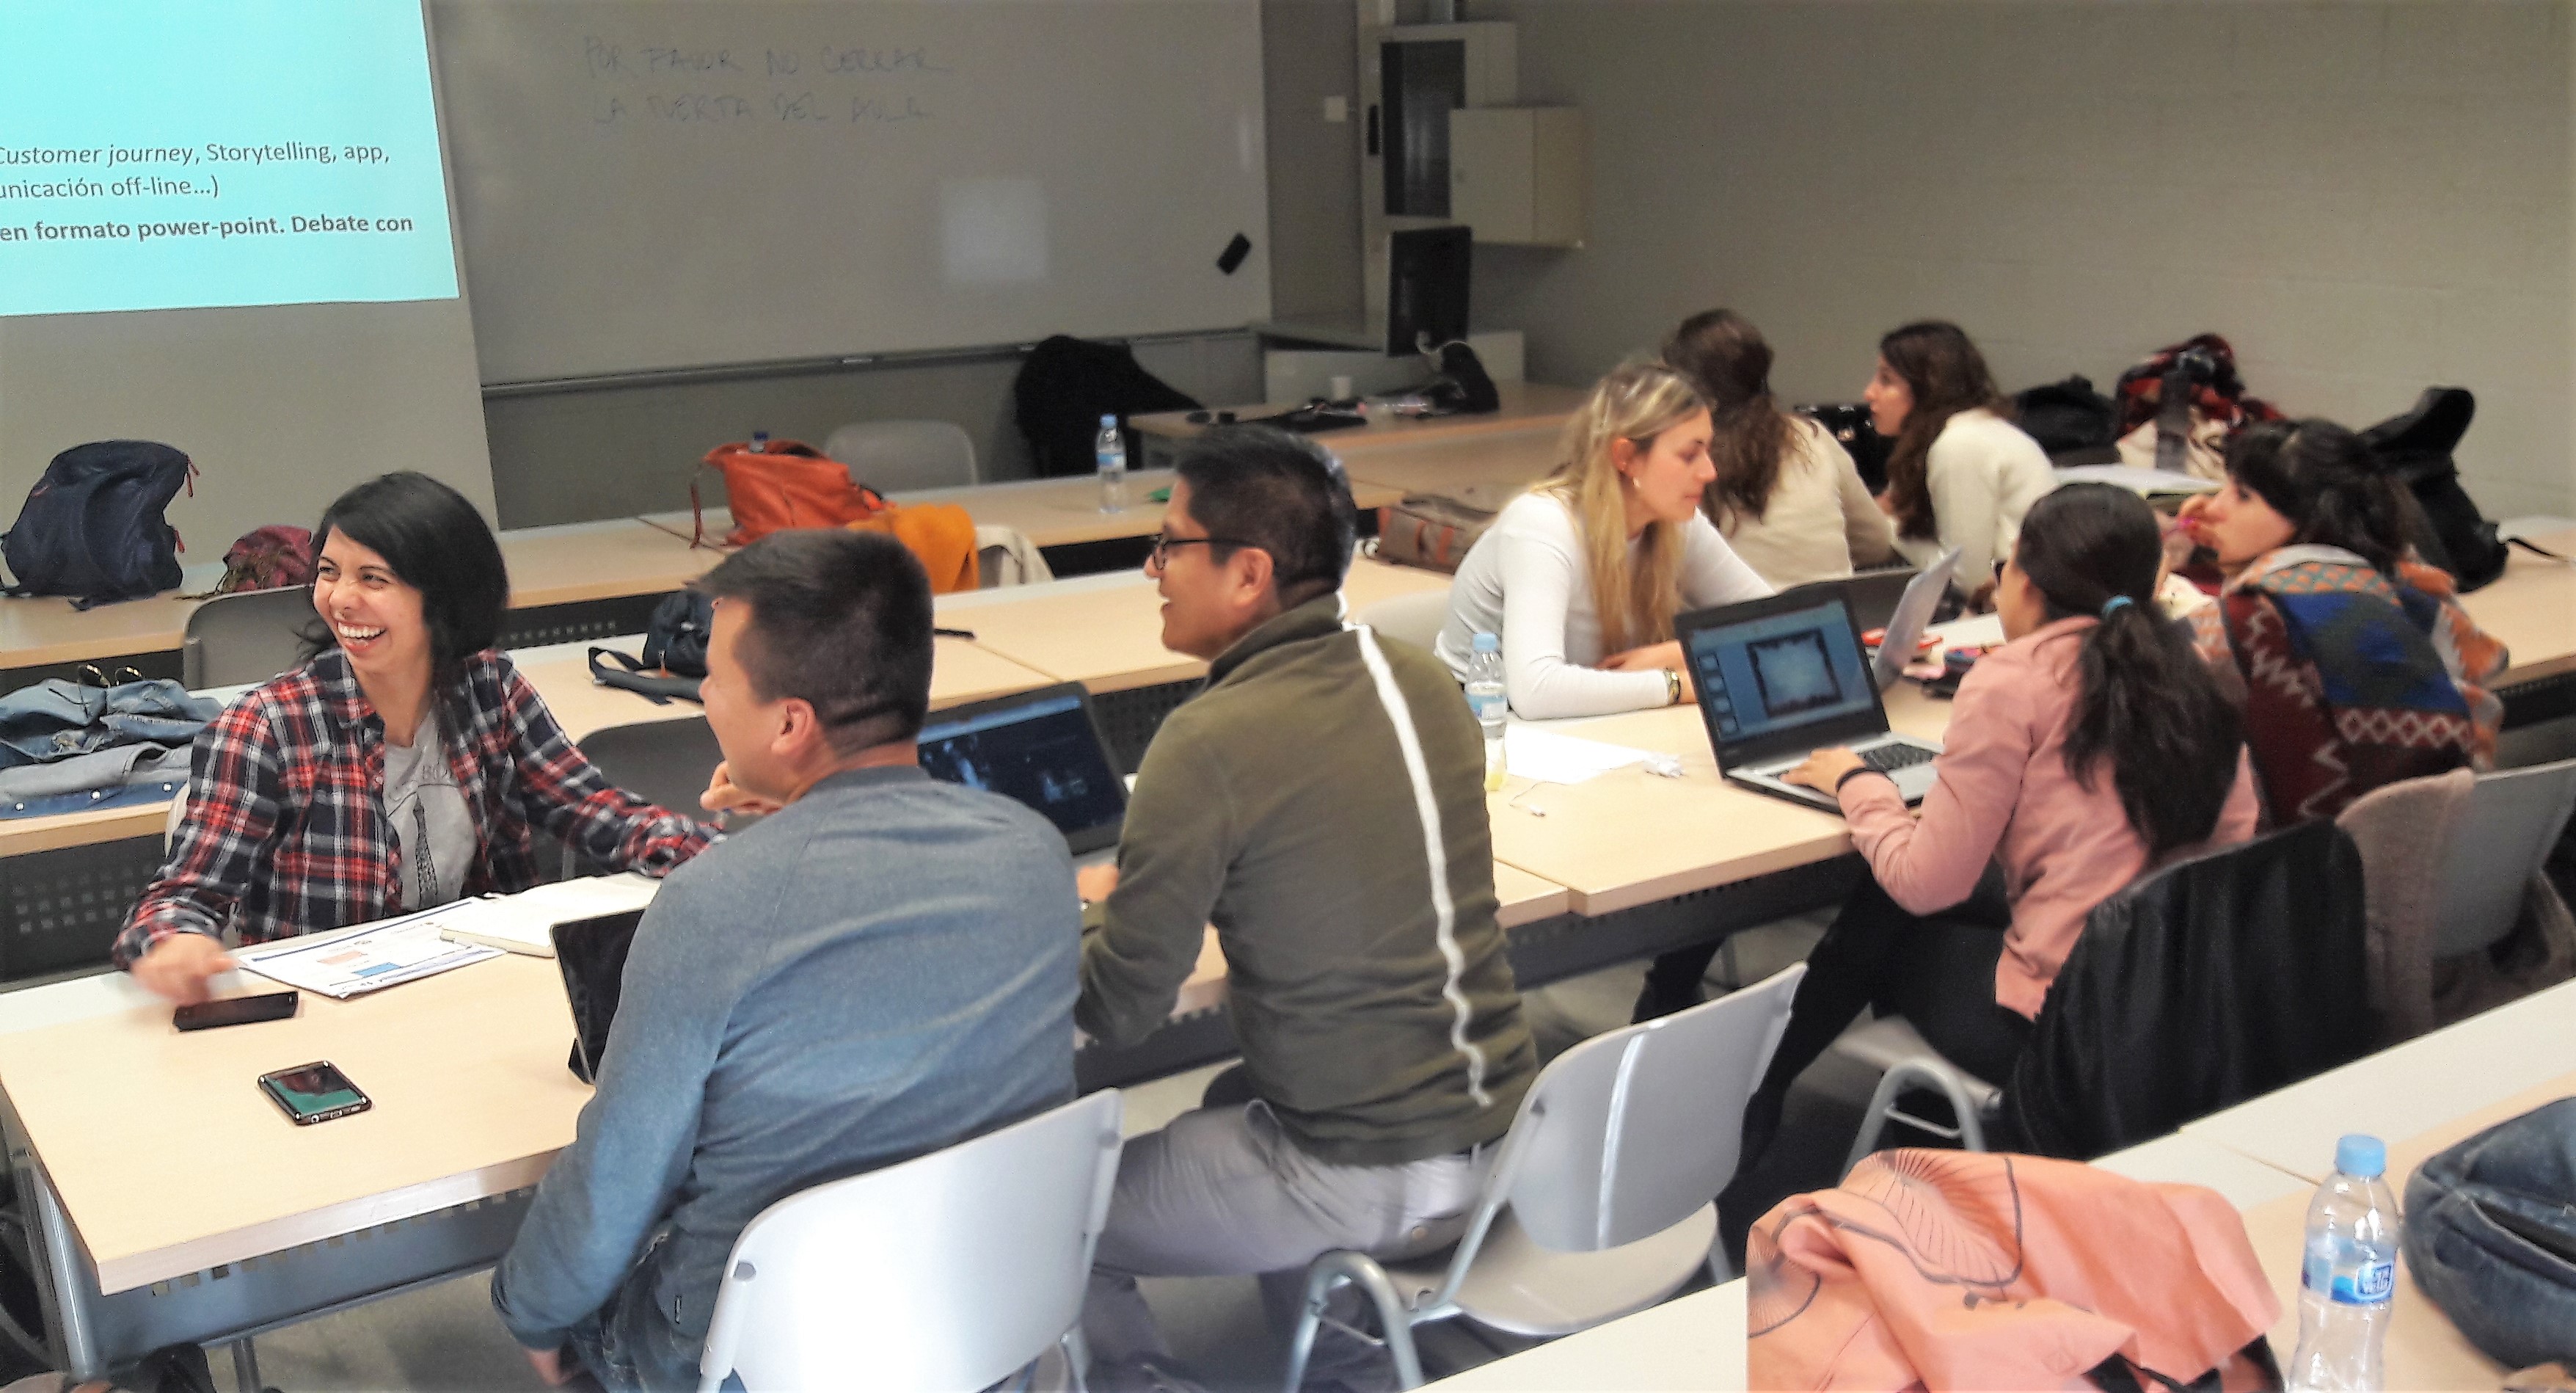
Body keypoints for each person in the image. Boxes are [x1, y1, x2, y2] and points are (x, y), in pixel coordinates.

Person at [492, 530, 1079, 1392]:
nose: (702, 696)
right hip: (988, 1318)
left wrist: (530, 1309)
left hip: (770, 1355)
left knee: (570, 1293)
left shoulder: (712, 903)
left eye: (713, 678)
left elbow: (614, 1188)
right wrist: (789, 812)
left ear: (791, 723)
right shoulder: (1034, 852)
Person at [1076, 426, 1538, 1392]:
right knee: (1228, 1098)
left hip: (1368, 1173)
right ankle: (1339, 1363)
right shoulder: (1421, 680)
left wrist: (1081, 916)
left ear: (1247, 572)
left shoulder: (1203, 741)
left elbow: (1119, 1009)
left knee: (1044, 1221)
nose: (1153, 568)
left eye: (1169, 544)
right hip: (1509, 1134)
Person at [1729, 485, 2260, 1206]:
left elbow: (1925, 882)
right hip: (2182, 1006)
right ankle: (1779, 1101)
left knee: (1887, 906)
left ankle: (1765, 1100)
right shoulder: (2192, 671)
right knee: (1909, 896)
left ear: (2027, 583)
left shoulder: (2014, 679)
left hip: (2059, 1034)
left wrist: (1859, 784)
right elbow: (2230, 836)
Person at [113, 472, 714, 1004]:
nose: (340, 599)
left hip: (475, 990)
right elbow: (175, 902)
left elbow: (598, 813)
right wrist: (176, 943)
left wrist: (723, 859)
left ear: (444, 595)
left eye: (373, 579)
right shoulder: (268, 727)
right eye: (329, 572)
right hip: (330, 1012)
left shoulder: (490, 690)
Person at [2179, 419, 2508, 824]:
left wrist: (2146, 569)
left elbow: (2159, 674)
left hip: (2310, 849)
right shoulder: (2411, 587)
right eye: (2226, 486)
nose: (2214, 507)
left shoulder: (2249, 615)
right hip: (2446, 830)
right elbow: (2485, 664)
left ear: (2308, 516)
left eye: (2243, 496)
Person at [1436, 360, 1773, 719]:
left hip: (1588, 727)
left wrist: (1681, 653)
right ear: (1626, 457)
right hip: (1484, 727)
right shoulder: (1542, 525)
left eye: (1708, 452)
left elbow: (1781, 623)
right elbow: (1535, 690)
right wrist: (1680, 683)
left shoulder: (1676, 523)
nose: (1710, 472)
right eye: (1689, 455)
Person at [1663, 309, 1897, 587]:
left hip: (1729, 615)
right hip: (1831, 612)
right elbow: (1875, 544)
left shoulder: (1678, 457)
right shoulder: (1811, 438)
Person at [1867, 321, 2057, 604]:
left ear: (1927, 387)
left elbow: (1968, 580)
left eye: (1886, 380)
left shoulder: (1960, 443)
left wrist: (1884, 526)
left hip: (2022, 608)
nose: (1869, 393)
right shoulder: (1965, 432)